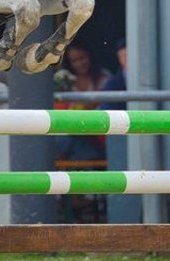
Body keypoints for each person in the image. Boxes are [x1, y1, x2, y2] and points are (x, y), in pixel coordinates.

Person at [53, 44, 111, 221]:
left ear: (91, 57)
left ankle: (72, 192)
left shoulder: (105, 79)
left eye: (83, 58)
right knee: (66, 138)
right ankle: (75, 194)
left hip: (99, 139)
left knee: (64, 141)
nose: (80, 63)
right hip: (76, 141)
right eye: (75, 60)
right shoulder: (65, 82)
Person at [99, 37, 127, 109]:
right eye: (123, 57)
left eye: (129, 56)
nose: (126, 60)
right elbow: (107, 107)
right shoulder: (113, 83)